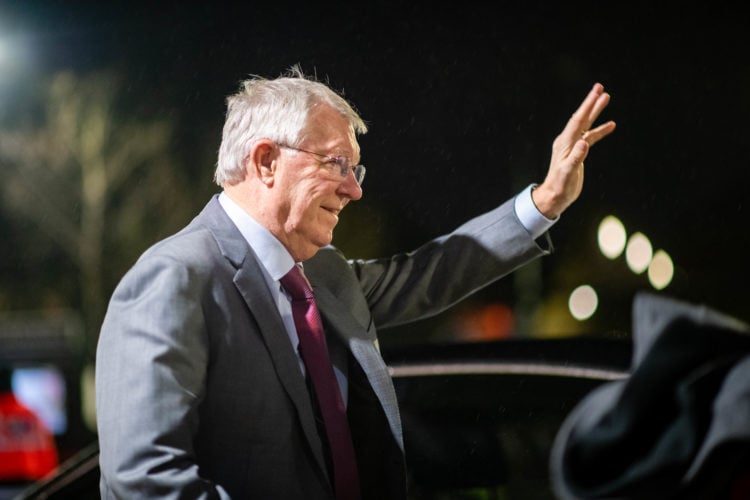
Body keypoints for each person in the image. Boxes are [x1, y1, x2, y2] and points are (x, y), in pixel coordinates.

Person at [95, 65, 615, 499]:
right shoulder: (175, 278)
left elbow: (431, 273)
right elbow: (144, 482)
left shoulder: (324, 274)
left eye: (355, 170)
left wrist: (544, 203)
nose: (353, 190)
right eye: (336, 163)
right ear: (266, 160)